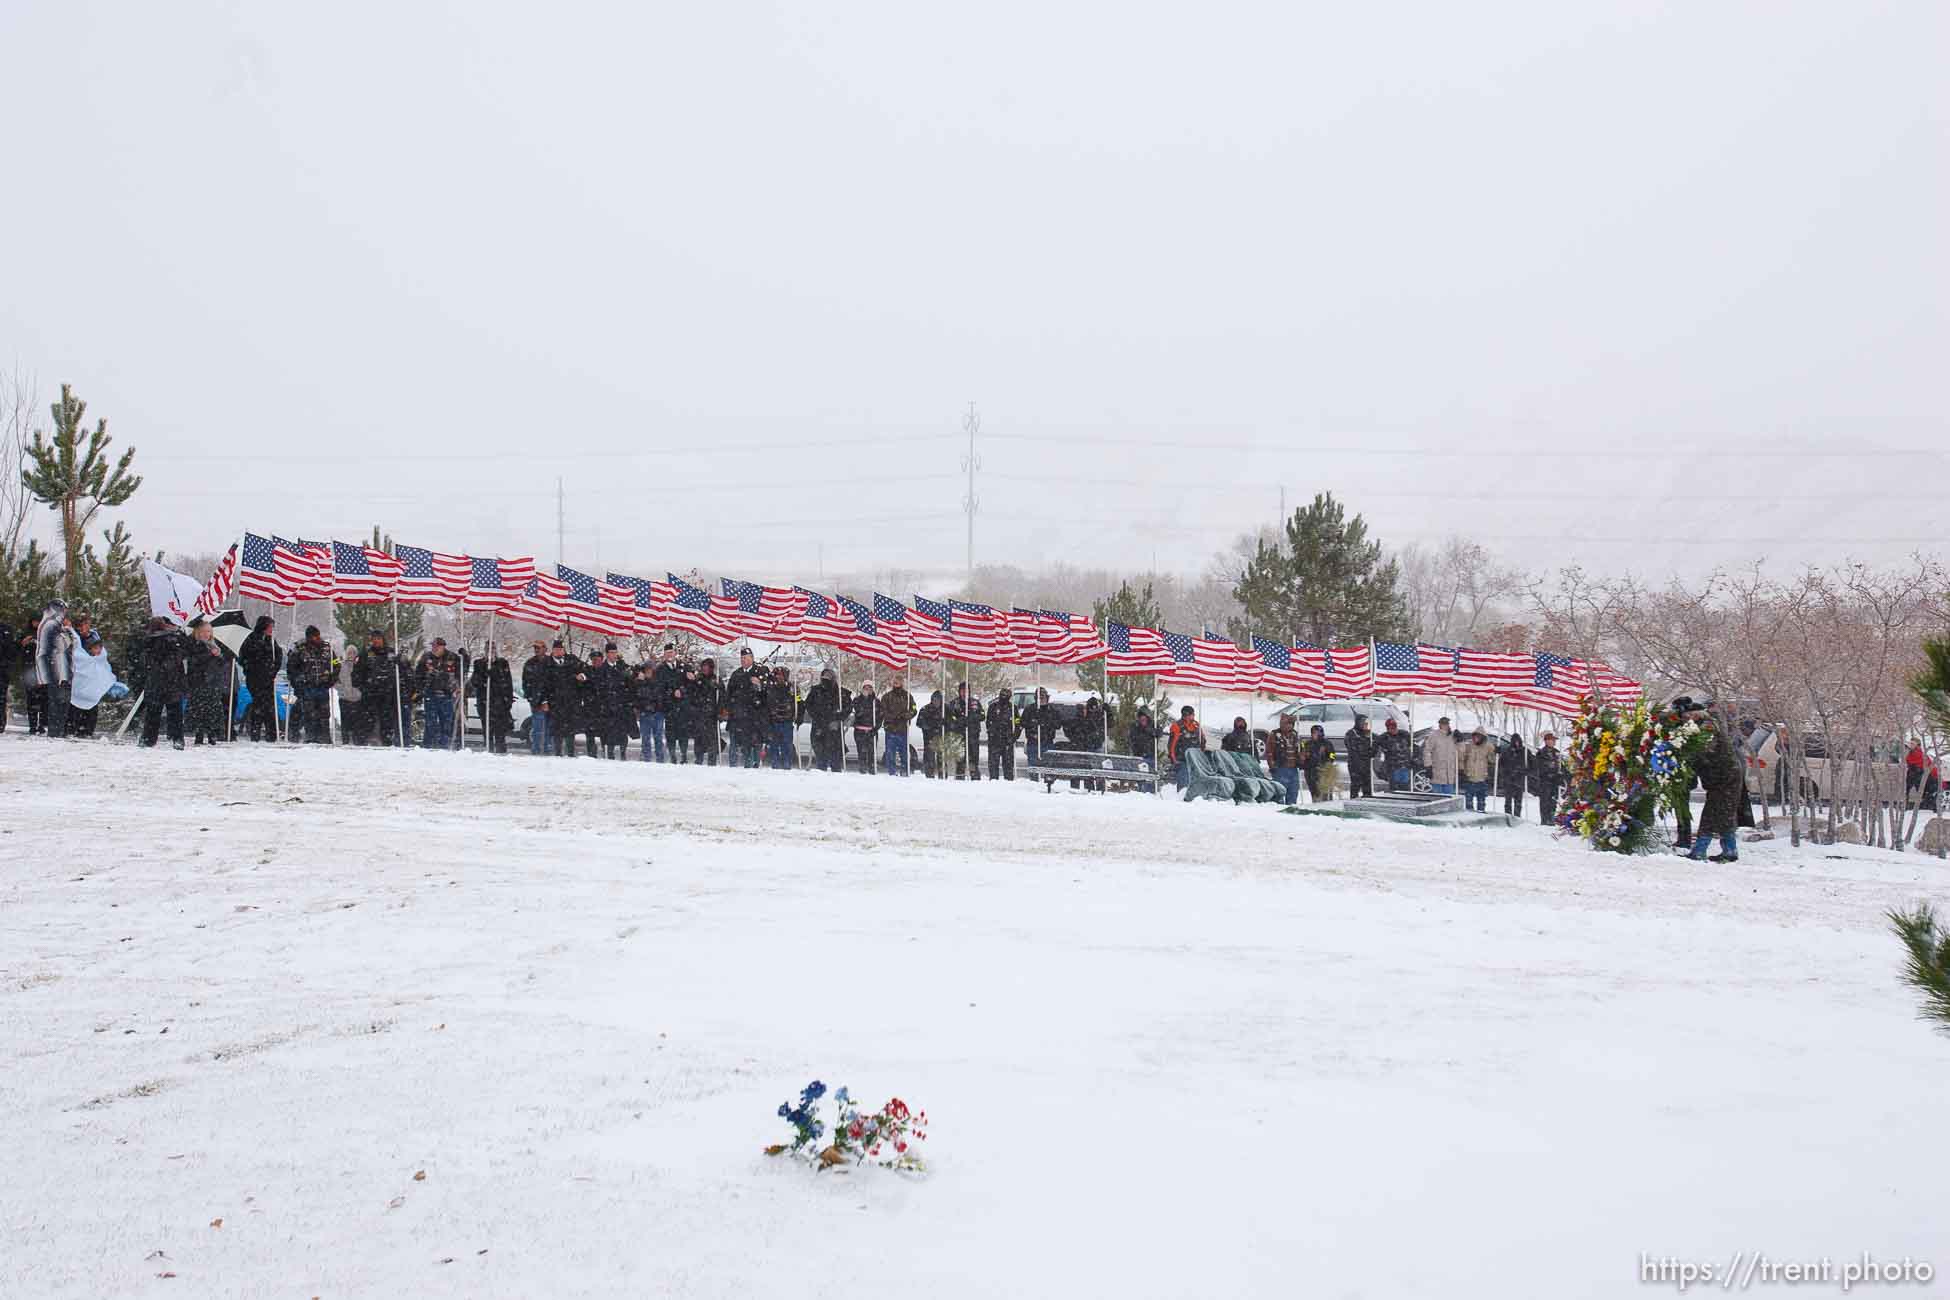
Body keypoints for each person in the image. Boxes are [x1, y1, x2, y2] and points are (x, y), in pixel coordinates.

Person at [1687, 712, 1743, 863]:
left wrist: (1690, 759)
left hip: (1723, 782)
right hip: (1727, 780)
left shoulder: (1709, 734)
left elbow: (1704, 757)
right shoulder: (1715, 733)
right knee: (1726, 816)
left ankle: (1699, 851)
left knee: (1710, 816)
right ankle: (1730, 850)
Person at [135, 617, 190, 748]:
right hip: (168, 680)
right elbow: (181, 654)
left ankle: (149, 738)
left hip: (162, 680)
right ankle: (175, 739)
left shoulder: (157, 640)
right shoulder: (166, 639)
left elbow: (144, 659)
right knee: (171, 712)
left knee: (156, 712)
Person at [353, 628, 407, 747]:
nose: (376, 641)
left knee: (387, 720)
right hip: (370, 693)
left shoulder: (391, 653)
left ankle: (387, 742)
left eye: (378, 638)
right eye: (374, 639)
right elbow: (357, 673)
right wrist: (362, 686)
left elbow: (403, 671)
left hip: (387, 693)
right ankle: (364, 742)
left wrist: (400, 662)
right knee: (367, 719)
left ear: (383, 639)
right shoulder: (366, 654)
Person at [286, 625, 337, 744]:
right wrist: (298, 683)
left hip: (323, 687)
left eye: (318, 635)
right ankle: (311, 738)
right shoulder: (299, 649)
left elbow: (336, 663)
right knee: (309, 715)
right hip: (307, 688)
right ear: (309, 637)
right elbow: (291, 669)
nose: (317, 638)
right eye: (315, 636)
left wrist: (331, 679)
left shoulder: (327, 648)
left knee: (324, 715)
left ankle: (324, 738)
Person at [238, 615, 282, 742]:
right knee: (259, 704)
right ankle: (255, 733)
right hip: (254, 678)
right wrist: (251, 667)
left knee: (269, 706)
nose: (271, 630)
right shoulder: (250, 639)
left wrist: (273, 670)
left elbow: (278, 657)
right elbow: (242, 658)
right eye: (270, 627)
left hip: (268, 678)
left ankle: (271, 734)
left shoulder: (271, 641)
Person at [36, 600, 75, 739]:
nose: (65, 614)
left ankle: (57, 731)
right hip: (57, 671)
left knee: (60, 703)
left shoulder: (51, 624)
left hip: (59, 670)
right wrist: (69, 630)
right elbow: (62, 645)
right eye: (64, 610)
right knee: (58, 704)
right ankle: (55, 732)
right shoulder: (52, 625)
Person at [416, 637, 463, 750]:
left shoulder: (452, 657)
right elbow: (418, 675)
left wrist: (456, 687)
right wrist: (420, 688)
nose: (435, 648)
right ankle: (428, 746)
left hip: (446, 695)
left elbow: (460, 674)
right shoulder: (426, 657)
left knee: (446, 722)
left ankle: (444, 747)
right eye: (433, 646)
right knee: (430, 722)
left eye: (437, 646)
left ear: (443, 646)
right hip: (430, 694)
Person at [187, 621, 229, 745]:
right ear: (198, 632)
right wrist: (210, 655)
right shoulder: (194, 644)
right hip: (199, 681)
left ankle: (212, 734)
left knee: (213, 709)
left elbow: (222, 664)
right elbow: (195, 661)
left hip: (213, 682)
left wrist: (219, 656)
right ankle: (199, 734)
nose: (206, 634)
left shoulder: (215, 645)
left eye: (208, 631)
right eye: (203, 631)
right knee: (200, 709)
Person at [726, 647, 768, 769]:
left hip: (755, 717)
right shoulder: (736, 674)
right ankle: (740, 767)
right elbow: (729, 694)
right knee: (740, 746)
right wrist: (730, 709)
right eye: (742, 658)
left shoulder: (761, 671)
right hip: (738, 717)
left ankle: (755, 766)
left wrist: (759, 684)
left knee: (755, 745)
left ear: (752, 658)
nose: (744, 660)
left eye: (746, 658)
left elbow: (767, 694)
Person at [803, 667, 848, 772]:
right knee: (820, 758)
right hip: (819, 727)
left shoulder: (841, 692)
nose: (825, 678)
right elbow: (808, 705)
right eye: (824, 676)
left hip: (834, 729)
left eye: (828, 676)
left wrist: (838, 718)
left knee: (835, 760)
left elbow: (848, 708)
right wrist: (817, 718)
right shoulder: (815, 691)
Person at [472, 644, 515, 754]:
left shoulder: (502, 663)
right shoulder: (479, 663)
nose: (490, 651)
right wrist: (485, 676)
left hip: (499, 703)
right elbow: (474, 682)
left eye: (493, 649)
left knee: (500, 732)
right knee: (487, 731)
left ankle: (501, 752)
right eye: (488, 649)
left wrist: (508, 700)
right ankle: (489, 752)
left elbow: (508, 682)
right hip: (484, 702)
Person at [67, 613, 104, 736]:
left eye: (85, 625)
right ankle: (73, 727)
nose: (83, 628)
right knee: (76, 703)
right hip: (78, 676)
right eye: (81, 625)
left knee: (91, 703)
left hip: (91, 676)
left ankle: (87, 729)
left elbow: (100, 654)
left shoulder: (94, 637)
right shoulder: (75, 638)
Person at [648, 643, 685, 763]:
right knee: (671, 735)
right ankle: (673, 756)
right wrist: (671, 693)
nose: (670, 654)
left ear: (675, 653)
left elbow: (689, 684)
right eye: (667, 652)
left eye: (672, 652)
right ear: (664, 654)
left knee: (683, 733)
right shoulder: (660, 669)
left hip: (683, 707)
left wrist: (682, 691)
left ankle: (684, 756)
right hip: (669, 707)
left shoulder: (683, 667)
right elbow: (658, 689)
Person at [595, 643, 632, 759]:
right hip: (608, 707)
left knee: (622, 734)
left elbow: (629, 685)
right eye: (611, 652)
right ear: (607, 654)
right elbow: (599, 689)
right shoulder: (601, 669)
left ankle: (623, 754)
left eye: (615, 652)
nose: (613, 655)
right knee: (609, 734)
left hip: (621, 706)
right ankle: (610, 754)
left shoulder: (622, 667)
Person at [688, 657, 724, 765]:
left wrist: (720, 712)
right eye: (703, 667)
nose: (705, 669)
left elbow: (722, 698)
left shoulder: (717, 679)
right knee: (699, 742)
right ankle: (698, 761)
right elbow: (692, 695)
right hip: (699, 716)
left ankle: (712, 763)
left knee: (712, 743)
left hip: (712, 717)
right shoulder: (698, 679)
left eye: (707, 667)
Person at [522, 640, 554, 757]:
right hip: (536, 701)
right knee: (537, 728)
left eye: (539, 647)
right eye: (535, 647)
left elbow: (554, 682)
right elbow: (526, 683)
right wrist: (531, 698)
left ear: (545, 649)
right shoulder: (529, 663)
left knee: (550, 728)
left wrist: (549, 700)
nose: (537, 650)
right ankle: (536, 749)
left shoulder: (551, 662)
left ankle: (548, 749)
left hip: (551, 701)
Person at [881, 676, 915, 776]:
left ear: (902, 683)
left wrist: (905, 716)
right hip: (890, 729)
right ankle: (892, 772)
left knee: (904, 753)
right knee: (890, 753)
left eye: (898, 682)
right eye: (894, 682)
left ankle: (904, 771)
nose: (896, 683)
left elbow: (913, 709)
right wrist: (892, 718)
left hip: (903, 729)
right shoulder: (887, 696)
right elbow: (882, 711)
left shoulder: (907, 696)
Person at [765, 666, 798, 769]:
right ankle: (775, 765)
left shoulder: (793, 688)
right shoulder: (770, 688)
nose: (778, 677)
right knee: (773, 746)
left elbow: (799, 702)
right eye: (776, 675)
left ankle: (786, 765)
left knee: (787, 746)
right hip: (774, 722)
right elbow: (766, 704)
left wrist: (799, 715)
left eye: (780, 675)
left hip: (787, 722)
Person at [1266, 714, 1304, 806]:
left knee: (1293, 793)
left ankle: (1291, 808)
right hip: (1280, 768)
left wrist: (1302, 759)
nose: (1289, 726)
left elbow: (1301, 749)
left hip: (1293, 769)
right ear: (1282, 724)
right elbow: (1269, 752)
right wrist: (1272, 765)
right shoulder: (1274, 735)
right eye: (1287, 724)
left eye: (1291, 724)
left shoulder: (1295, 735)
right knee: (1279, 793)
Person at [1530, 731, 1565, 826]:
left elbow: (1560, 765)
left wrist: (1560, 773)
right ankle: (1545, 819)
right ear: (1547, 741)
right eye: (1552, 740)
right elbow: (1539, 766)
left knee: (1553, 800)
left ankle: (1552, 818)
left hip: (1555, 780)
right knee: (1545, 800)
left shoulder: (1557, 752)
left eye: (1554, 740)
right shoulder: (1541, 753)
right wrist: (1549, 772)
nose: (1554, 742)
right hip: (1545, 780)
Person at [948, 683, 981, 780]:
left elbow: (982, 715)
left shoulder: (975, 703)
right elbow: (950, 718)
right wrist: (960, 720)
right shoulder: (954, 703)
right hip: (959, 735)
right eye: (962, 690)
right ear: (959, 691)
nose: (964, 693)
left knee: (973, 759)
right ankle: (960, 778)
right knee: (960, 759)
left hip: (973, 735)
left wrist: (972, 717)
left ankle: (975, 778)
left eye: (966, 690)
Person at [1168, 706, 1205, 791]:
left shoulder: (1196, 725)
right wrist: (1173, 758)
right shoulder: (1176, 726)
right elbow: (1172, 744)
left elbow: (1202, 738)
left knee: (1195, 781)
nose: (1193, 716)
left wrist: (1202, 750)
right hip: (1181, 759)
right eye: (1192, 714)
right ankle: (1182, 796)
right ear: (1186, 715)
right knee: (1183, 781)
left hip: (1195, 759)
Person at [337, 642, 367, 745]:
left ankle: (357, 741)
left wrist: (359, 691)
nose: (351, 654)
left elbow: (364, 680)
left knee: (357, 722)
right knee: (345, 722)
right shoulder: (340, 664)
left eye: (353, 652)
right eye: (349, 652)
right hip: (344, 698)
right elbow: (335, 681)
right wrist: (341, 689)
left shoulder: (359, 666)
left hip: (357, 699)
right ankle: (345, 741)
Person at [1459, 727, 1494, 812]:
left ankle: (1481, 814)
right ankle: (1469, 815)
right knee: (1468, 800)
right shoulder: (1468, 746)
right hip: (1470, 777)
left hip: (1482, 778)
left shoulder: (1488, 747)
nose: (1475, 739)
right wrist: (1461, 769)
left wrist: (1495, 753)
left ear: (1482, 737)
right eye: (1474, 737)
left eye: (1477, 737)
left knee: (1481, 801)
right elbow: (1460, 757)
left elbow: (1492, 760)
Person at [850, 680, 882, 774]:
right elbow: (857, 712)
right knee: (861, 752)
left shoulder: (876, 701)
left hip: (872, 731)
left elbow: (880, 716)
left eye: (869, 688)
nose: (867, 690)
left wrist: (876, 728)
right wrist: (864, 700)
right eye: (865, 688)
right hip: (859, 730)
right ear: (862, 689)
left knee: (872, 752)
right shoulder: (857, 700)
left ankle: (872, 769)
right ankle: (862, 769)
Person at [985, 687, 1016, 781]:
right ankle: (994, 783)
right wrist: (992, 733)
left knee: (1008, 766)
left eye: (1006, 696)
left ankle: (1009, 784)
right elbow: (988, 722)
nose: (1003, 698)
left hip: (1007, 741)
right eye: (1002, 695)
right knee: (993, 766)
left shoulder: (1013, 708)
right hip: (995, 741)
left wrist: (1014, 737)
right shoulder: (993, 707)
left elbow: (1017, 723)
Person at [1020, 688, 1055, 770]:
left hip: (1047, 742)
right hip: (1033, 742)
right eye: (1040, 697)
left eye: (1043, 697)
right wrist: (1034, 723)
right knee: (1033, 768)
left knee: (1049, 768)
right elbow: (1023, 723)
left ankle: (1047, 782)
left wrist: (1046, 722)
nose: (1042, 699)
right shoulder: (1029, 709)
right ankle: (1034, 782)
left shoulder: (1051, 710)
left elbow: (1057, 724)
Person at [1342, 714, 1375, 800]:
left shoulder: (1369, 734)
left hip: (1366, 765)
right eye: (1363, 723)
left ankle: (1367, 802)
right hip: (1355, 765)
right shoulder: (1351, 733)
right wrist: (1365, 739)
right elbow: (1355, 749)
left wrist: (1371, 741)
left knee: (1367, 787)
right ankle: (1353, 803)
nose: (1365, 725)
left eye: (1366, 723)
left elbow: (1377, 744)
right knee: (1355, 786)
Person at [1424, 717, 1459, 795]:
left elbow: (1460, 751)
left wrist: (1461, 740)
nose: (1444, 725)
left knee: (1449, 800)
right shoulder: (1433, 735)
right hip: (1437, 773)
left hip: (1450, 775)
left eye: (1446, 723)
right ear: (1439, 724)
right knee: (1437, 799)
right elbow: (1427, 751)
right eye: (1442, 723)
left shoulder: (1453, 736)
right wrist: (1428, 765)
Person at [917, 689, 946, 778]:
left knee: (942, 758)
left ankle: (943, 776)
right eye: (935, 700)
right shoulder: (925, 709)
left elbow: (952, 721)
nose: (936, 702)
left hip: (942, 738)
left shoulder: (946, 709)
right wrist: (930, 727)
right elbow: (919, 723)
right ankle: (929, 775)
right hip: (929, 738)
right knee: (929, 758)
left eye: (938, 700)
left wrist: (945, 723)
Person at [1377, 717, 1412, 791]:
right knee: (1394, 788)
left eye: (1394, 727)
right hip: (1393, 768)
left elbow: (1411, 746)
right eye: (1390, 728)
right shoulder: (1383, 738)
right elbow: (1378, 749)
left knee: (1405, 787)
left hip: (1405, 766)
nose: (1393, 729)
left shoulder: (1404, 734)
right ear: (1387, 728)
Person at [1497, 732, 1527, 817]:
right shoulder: (1507, 751)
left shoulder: (1524, 752)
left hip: (1519, 779)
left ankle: (1517, 817)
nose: (1516, 743)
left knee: (1518, 801)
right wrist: (1504, 773)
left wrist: (1526, 770)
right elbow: (1501, 764)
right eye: (1515, 741)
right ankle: (1508, 816)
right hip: (1509, 779)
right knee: (1508, 801)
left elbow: (1532, 764)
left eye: (1518, 741)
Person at [1302, 724, 1334, 801]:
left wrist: (1329, 761)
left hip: (1323, 770)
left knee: (1324, 792)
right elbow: (1303, 757)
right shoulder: (1307, 744)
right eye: (1314, 733)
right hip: (1310, 771)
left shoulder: (1327, 743)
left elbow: (1332, 755)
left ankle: (1326, 803)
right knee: (1314, 791)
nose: (1316, 734)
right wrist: (1304, 757)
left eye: (1318, 732)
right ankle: (1315, 803)